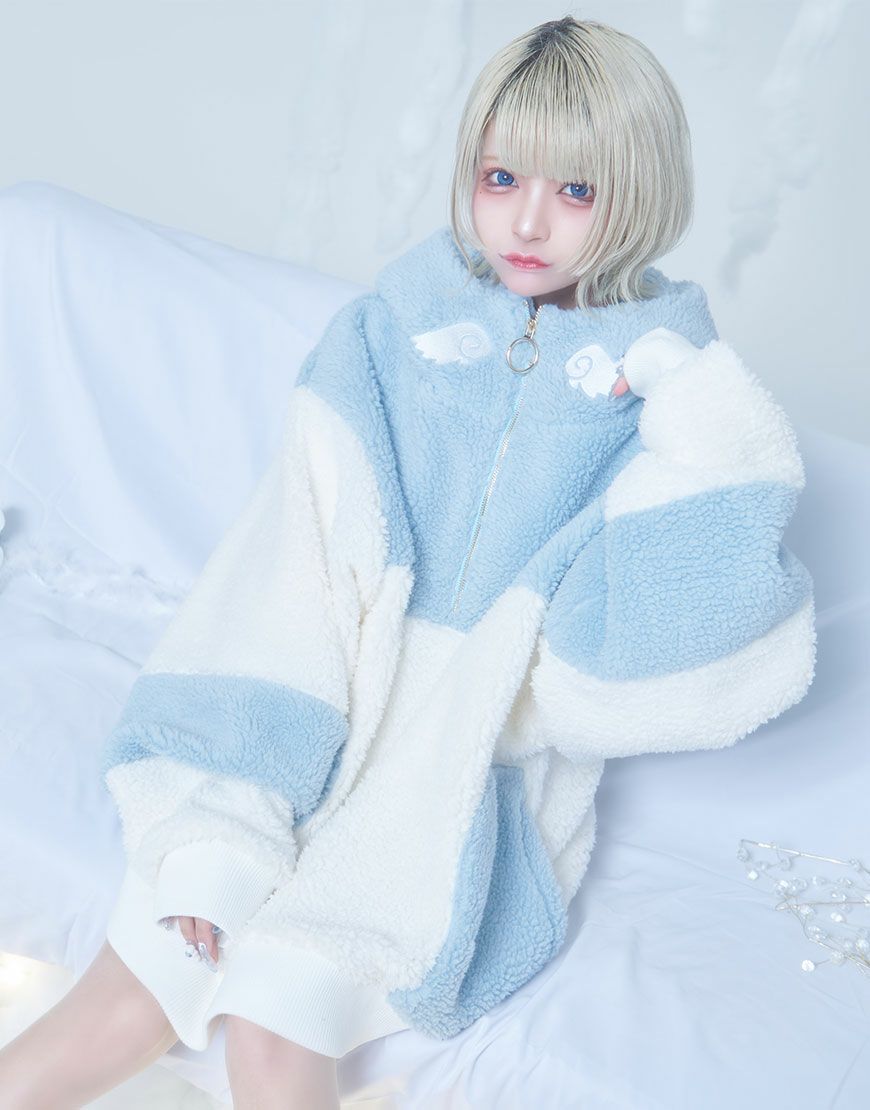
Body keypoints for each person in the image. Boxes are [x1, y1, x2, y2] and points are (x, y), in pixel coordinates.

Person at [0, 15, 816, 1110]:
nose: (528, 220)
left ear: (640, 190)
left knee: (280, 1015)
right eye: (501, 176)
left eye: (577, 191)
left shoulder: (663, 394)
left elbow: (629, 657)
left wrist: (700, 413)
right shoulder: (389, 337)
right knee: (143, 974)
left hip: (459, 783)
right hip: (309, 707)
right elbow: (290, 573)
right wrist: (224, 826)